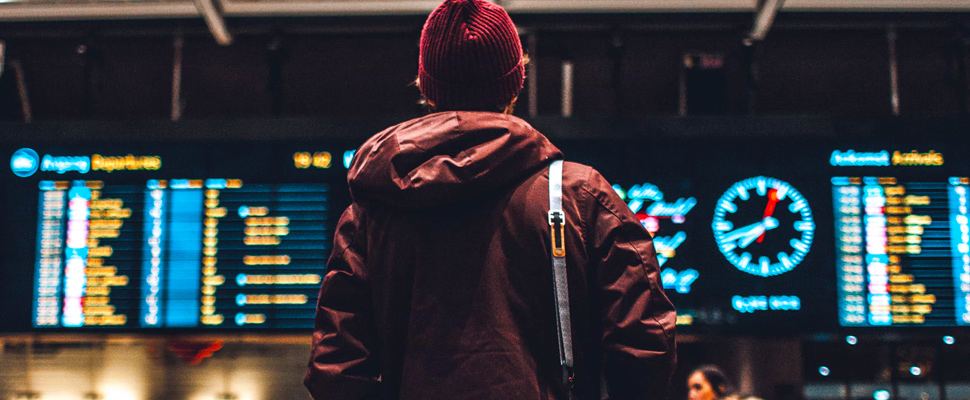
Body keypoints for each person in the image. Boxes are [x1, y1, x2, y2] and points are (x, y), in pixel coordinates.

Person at [304, 0, 677, 399]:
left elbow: (335, 370)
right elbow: (644, 346)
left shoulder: (371, 212)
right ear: (515, 82)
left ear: (426, 85)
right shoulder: (580, 197)